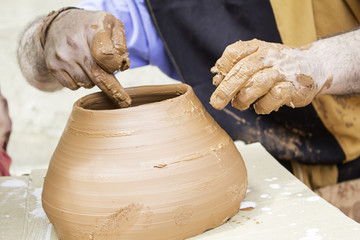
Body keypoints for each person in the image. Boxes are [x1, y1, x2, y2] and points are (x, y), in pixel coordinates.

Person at [16, 0, 360, 193]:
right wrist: (53, 30)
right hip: (254, 177)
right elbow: (38, 73)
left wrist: (316, 63)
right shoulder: (148, 7)